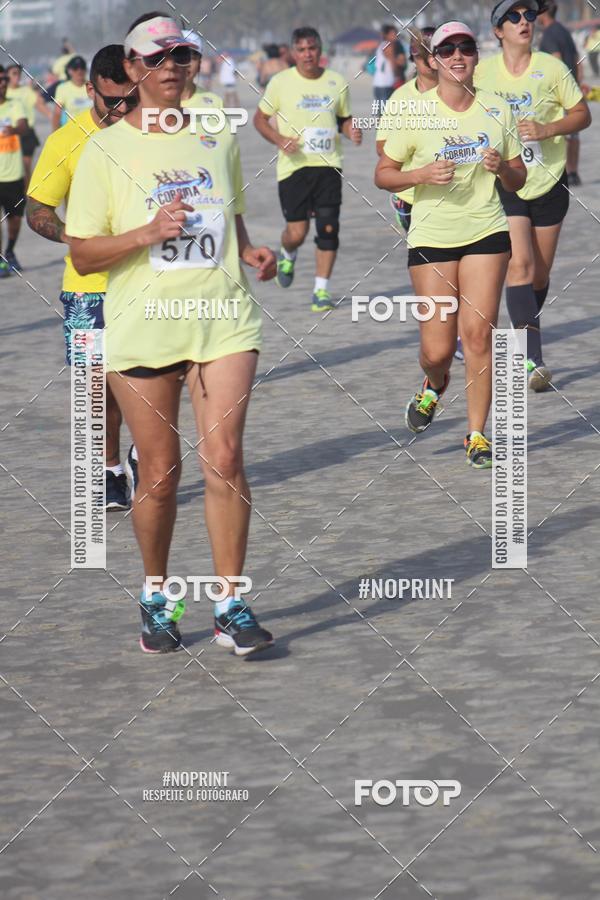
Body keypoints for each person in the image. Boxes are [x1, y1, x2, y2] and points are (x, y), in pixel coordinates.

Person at [66, 13, 277, 656]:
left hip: (222, 318)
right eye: (157, 60)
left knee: (228, 457)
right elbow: (82, 252)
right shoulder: (105, 150)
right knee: (159, 473)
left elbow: (230, 213)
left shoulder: (216, 135)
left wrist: (250, 251)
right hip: (141, 327)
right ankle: (158, 594)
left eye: (182, 57)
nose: (172, 69)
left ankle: (229, 603)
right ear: (132, 70)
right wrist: (146, 233)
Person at [375, 21, 527, 469]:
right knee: (438, 350)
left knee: (478, 336)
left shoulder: (497, 108)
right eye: (447, 49)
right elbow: (383, 173)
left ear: (477, 57)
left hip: (486, 231)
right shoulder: (413, 111)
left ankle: (477, 434)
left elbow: (519, 180)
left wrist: (502, 168)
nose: (457, 55)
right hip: (432, 237)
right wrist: (420, 175)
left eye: (466, 48)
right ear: (435, 60)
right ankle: (433, 385)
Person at [27, 45, 139, 510]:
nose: (121, 111)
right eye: (111, 101)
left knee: (153, 378)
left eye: (130, 100)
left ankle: (147, 449)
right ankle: (112, 469)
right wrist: (71, 234)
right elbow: (37, 209)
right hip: (86, 287)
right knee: (96, 386)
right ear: (89, 90)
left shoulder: (158, 132)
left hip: (150, 280)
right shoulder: (65, 141)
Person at [476, 0, 590, 390]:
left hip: (550, 182)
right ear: (497, 30)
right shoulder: (481, 73)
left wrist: (548, 129)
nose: (525, 22)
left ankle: (519, 331)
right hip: (508, 183)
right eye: (514, 17)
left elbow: (582, 115)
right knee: (519, 265)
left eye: (528, 15)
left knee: (539, 274)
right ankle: (531, 360)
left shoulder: (553, 69)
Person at [253, 26, 362, 311]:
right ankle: (288, 253)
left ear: (320, 50)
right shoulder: (280, 82)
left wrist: (352, 131)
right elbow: (260, 120)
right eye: (301, 50)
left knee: (328, 229)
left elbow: (344, 118)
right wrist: (279, 139)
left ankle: (321, 291)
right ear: (292, 53)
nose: (307, 54)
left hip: (328, 166)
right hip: (294, 168)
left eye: (312, 48)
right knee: (297, 232)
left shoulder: (336, 82)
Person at [537, 1, 584, 185]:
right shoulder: (563, 30)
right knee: (573, 133)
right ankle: (573, 172)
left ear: (544, 13)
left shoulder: (548, 34)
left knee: (562, 133)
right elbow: (576, 59)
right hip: (571, 89)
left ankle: (562, 172)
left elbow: (556, 62)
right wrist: (577, 85)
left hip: (558, 93)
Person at [0, 66, 28, 277]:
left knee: (15, 218)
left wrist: (14, 130)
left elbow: (24, 126)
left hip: (14, 174)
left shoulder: (14, 104)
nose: (2, 83)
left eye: (3, 79)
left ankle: (10, 250)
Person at [6, 64, 51, 187]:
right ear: (7, 75)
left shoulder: (26, 91)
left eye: (18, 74)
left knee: (26, 167)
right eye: (14, 73)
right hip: (8, 134)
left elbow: (39, 105)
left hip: (26, 134)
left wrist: (51, 116)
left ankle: (26, 197)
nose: (17, 76)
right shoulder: (3, 91)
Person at [181, 30, 223, 109]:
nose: (186, 64)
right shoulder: (152, 102)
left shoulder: (214, 103)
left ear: (199, 64)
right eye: (179, 57)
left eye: (192, 58)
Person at [52, 56, 92, 131]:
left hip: (93, 131)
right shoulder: (62, 88)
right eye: (75, 68)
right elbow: (57, 114)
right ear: (69, 71)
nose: (79, 71)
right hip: (73, 131)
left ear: (86, 70)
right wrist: (56, 135)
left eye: (82, 68)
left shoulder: (93, 86)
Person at [373, 24, 407, 106]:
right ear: (386, 35)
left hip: (379, 83)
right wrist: (397, 76)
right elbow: (392, 63)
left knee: (383, 113)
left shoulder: (382, 45)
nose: (395, 35)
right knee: (386, 113)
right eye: (392, 34)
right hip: (385, 83)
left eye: (395, 33)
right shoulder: (388, 46)